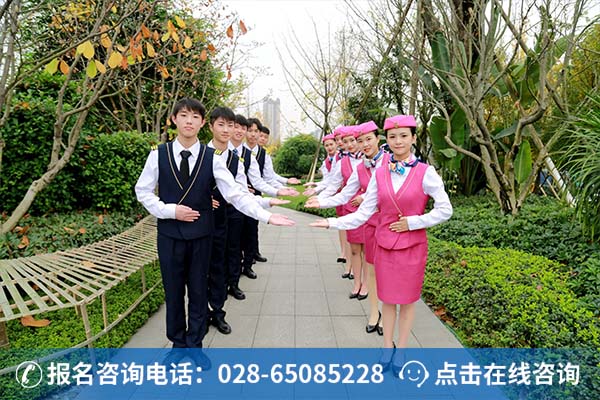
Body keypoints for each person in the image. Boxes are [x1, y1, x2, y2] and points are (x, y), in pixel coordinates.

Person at [135, 98, 295, 367]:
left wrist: (265, 214)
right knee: (173, 293)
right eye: (183, 115)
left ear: (202, 123)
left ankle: (195, 346)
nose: (189, 121)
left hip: (201, 236)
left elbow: (236, 194)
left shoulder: (212, 158)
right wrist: (169, 210)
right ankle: (177, 345)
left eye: (195, 117)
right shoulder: (158, 154)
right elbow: (143, 191)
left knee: (199, 291)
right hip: (170, 236)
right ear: (174, 120)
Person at [310, 115, 452, 372]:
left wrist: (414, 222)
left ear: (413, 138)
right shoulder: (380, 173)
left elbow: (445, 209)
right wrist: (331, 222)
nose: (398, 141)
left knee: (407, 301)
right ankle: (387, 347)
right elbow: (363, 213)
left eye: (404, 136)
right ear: (387, 139)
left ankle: (402, 350)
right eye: (393, 137)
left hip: (412, 247)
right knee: (387, 299)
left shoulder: (426, 172)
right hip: (385, 245)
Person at [306, 121, 389, 334]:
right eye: (360, 141)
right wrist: (321, 202)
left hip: (389, 223)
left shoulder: (391, 162)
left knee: (386, 270)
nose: (364, 144)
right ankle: (374, 312)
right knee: (371, 268)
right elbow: (344, 193)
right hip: (368, 221)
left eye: (368, 139)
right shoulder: (360, 167)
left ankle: (386, 313)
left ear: (378, 138)